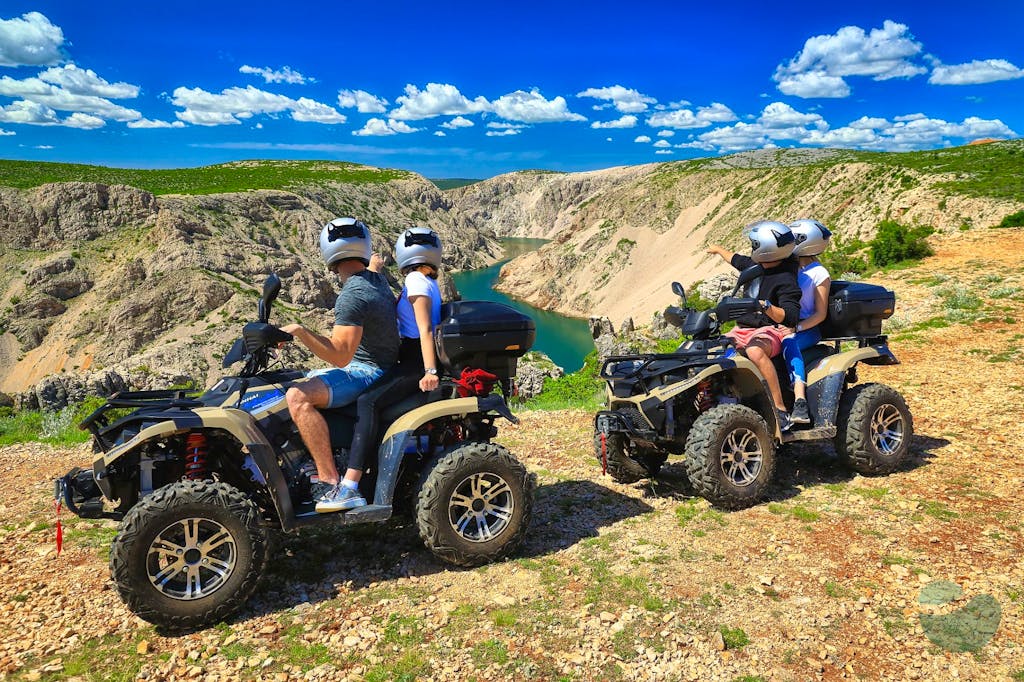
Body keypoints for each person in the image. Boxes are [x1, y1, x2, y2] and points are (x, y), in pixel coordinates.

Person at [280, 217, 399, 513]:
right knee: (298, 377)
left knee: (297, 396)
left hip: (367, 371)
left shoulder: (352, 295)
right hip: (381, 364)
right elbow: (373, 265)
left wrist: (299, 331)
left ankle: (330, 481)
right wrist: (375, 263)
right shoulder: (374, 278)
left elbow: (340, 356)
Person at [343, 227, 445, 503]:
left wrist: (429, 372)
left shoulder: (414, 280)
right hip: (412, 357)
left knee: (367, 402)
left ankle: (350, 484)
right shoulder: (427, 280)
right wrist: (374, 272)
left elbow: (424, 329)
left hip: (415, 359)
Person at [707, 220, 802, 430]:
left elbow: (790, 316)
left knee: (755, 351)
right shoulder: (753, 266)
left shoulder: (785, 278)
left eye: (755, 245)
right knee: (712, 349)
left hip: (770, 330)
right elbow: (735, 259)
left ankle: (780, 410)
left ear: (766, 249)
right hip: (743, 329)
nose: (752, 249)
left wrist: (765, 306)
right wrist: (717, 249)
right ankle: (723, 401)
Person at [782, 219, 833, 425]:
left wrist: (796, 328)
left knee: (789, 342)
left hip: (809, 327)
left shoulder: (819, 273)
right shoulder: (789, 267)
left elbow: (820, 314)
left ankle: (800, 401)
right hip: (787, 324)